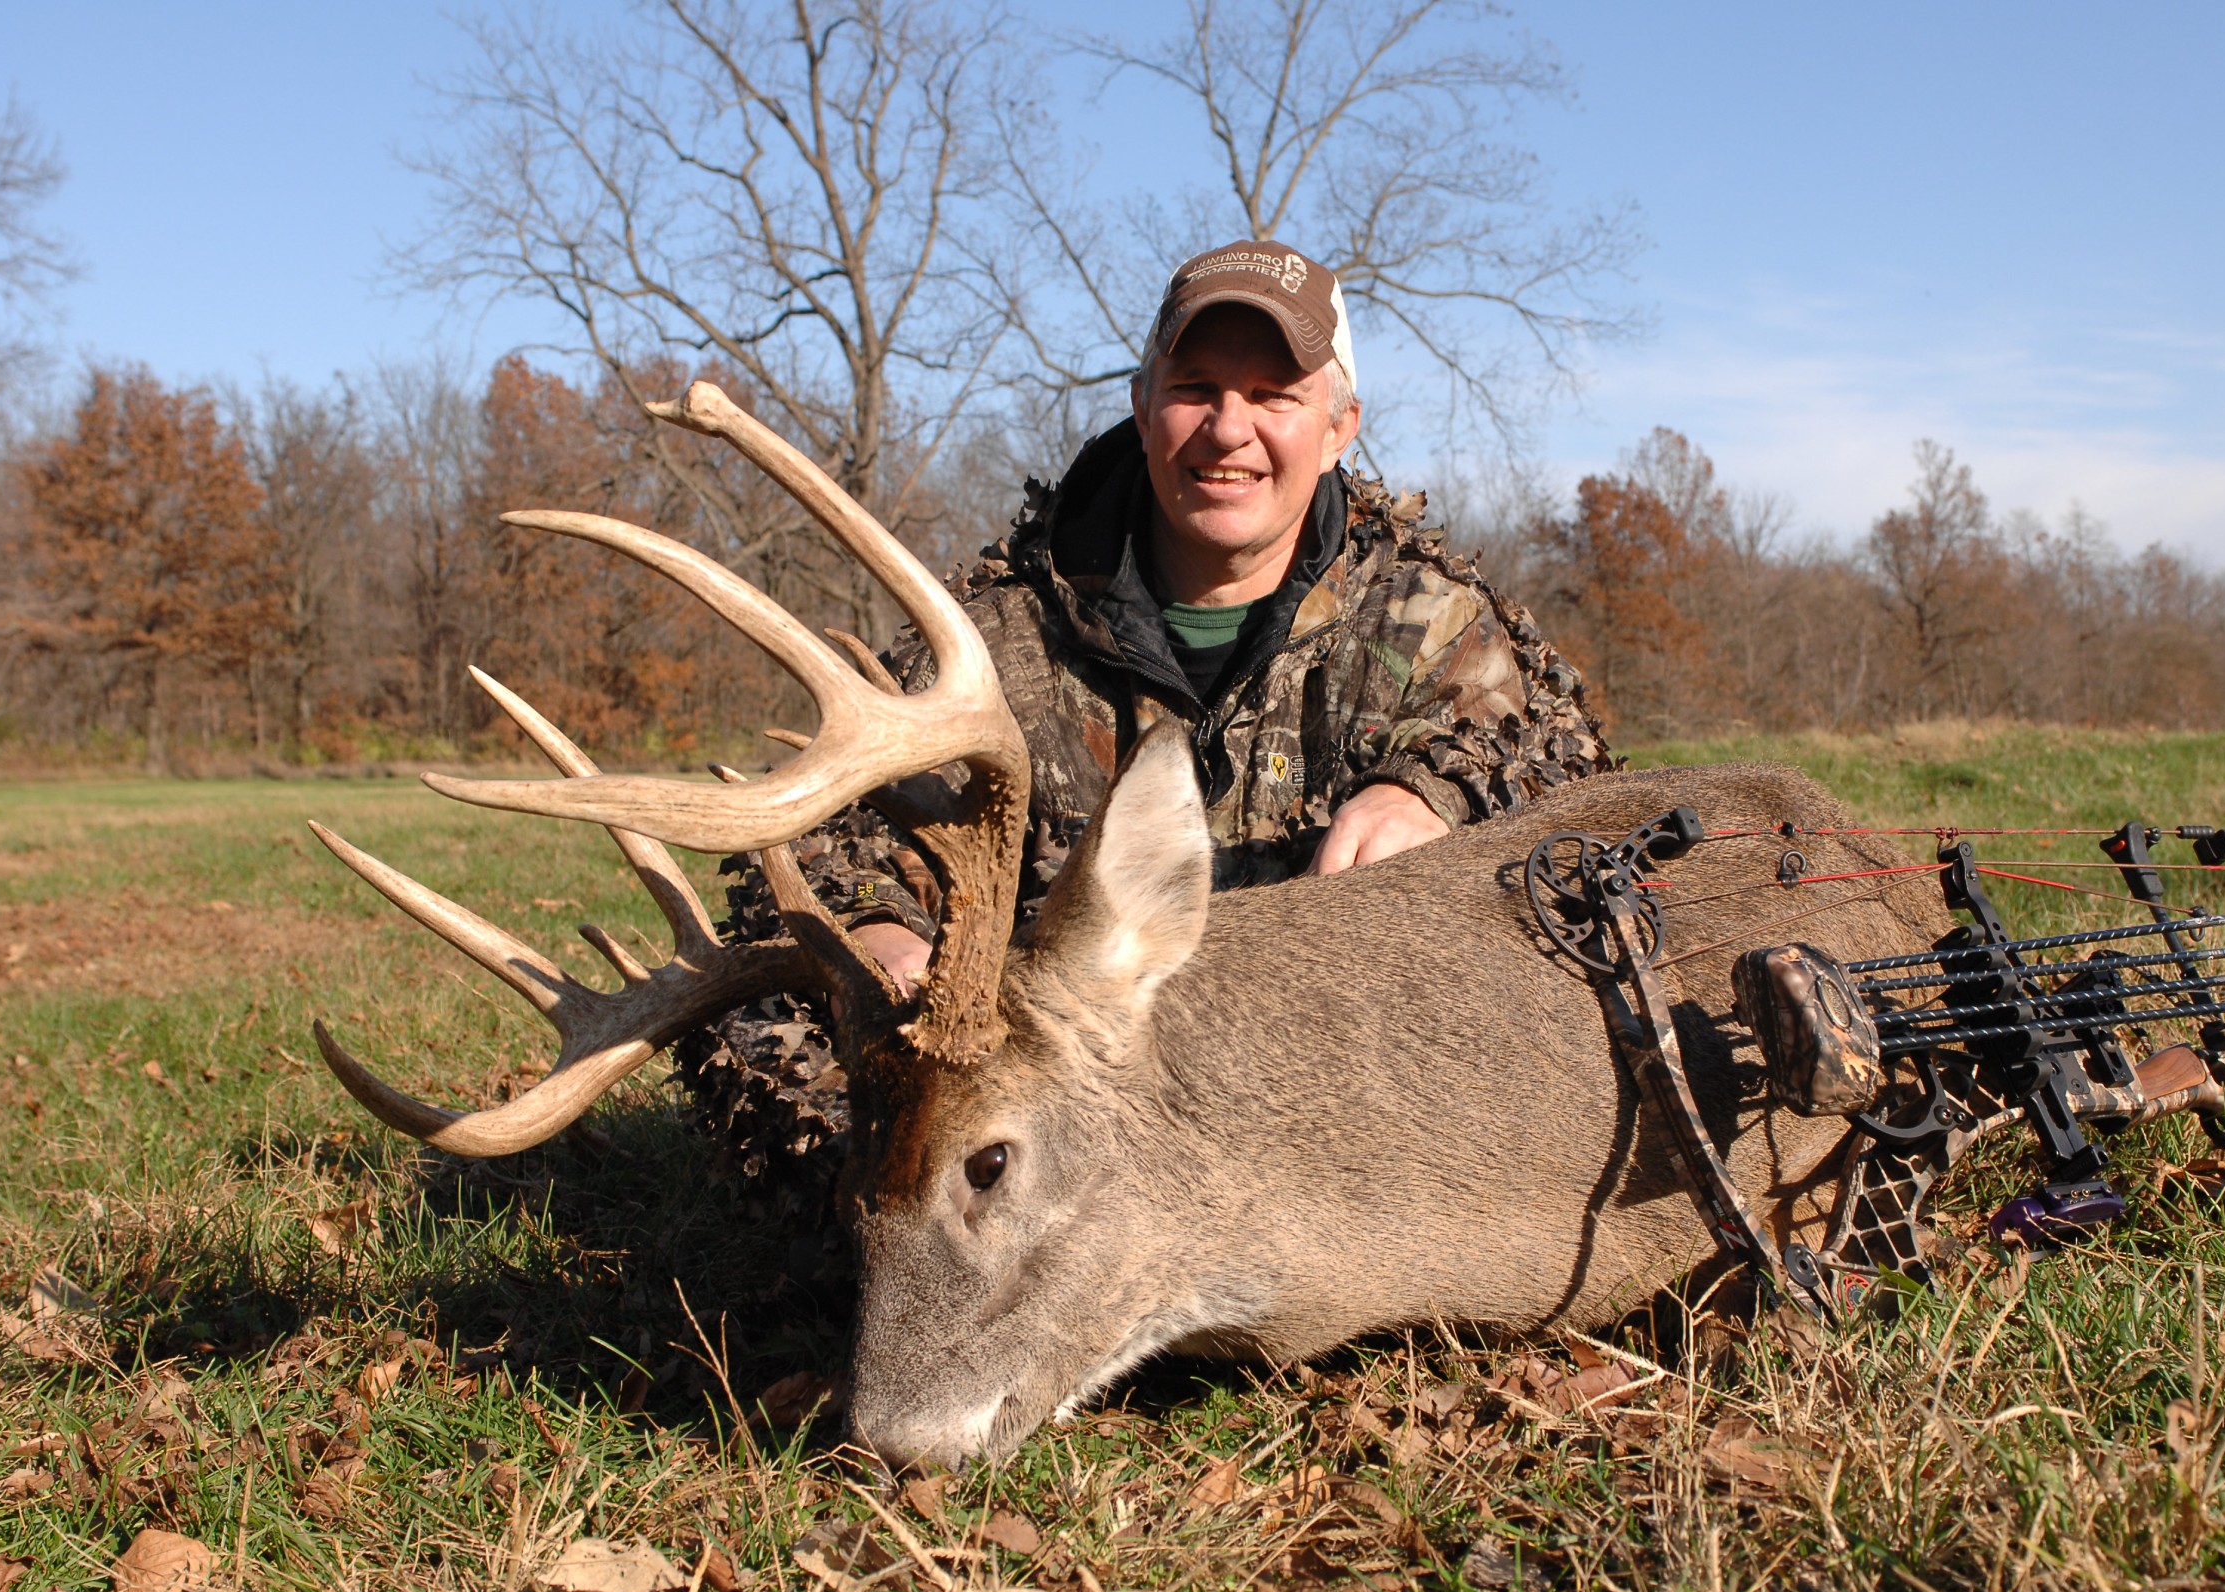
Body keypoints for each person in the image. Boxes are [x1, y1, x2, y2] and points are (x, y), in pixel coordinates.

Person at [680, 239, 1615, 1179]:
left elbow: (1561, 762)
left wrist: (1431, 793)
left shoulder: (1426, 619)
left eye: (1275, 396)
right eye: (1195, 387)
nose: (1228, 428)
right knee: (780, 1020)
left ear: (1339, 428)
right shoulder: (989, 643)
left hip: (1347, 1101)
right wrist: (880, 936)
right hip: (1053, 1118)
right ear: (1142, 403)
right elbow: (828, 837)